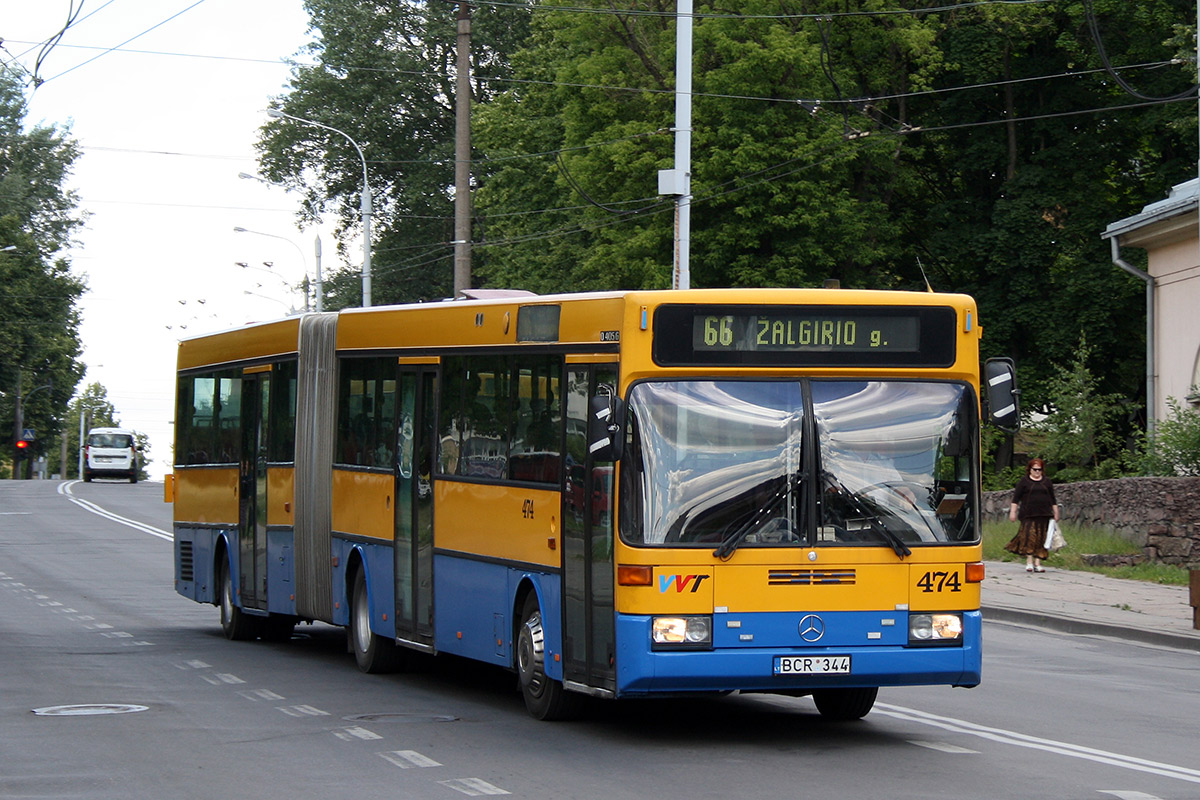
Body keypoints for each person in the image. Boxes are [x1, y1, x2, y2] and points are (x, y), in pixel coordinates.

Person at [1004, 458, 1060, 573]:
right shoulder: (1024, 482)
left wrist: (1056, 512)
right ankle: (1029, 562)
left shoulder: (1047, 482)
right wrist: (1013, 512)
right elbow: (1016, 499)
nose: (1037, 472)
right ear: (1030, 469)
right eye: (1035, 469)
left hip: (1044, 514)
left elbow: (1052, 498)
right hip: (1028, 514)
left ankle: (1038, 563)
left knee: (1042, 539)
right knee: (1029, 537)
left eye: (1039, 470)